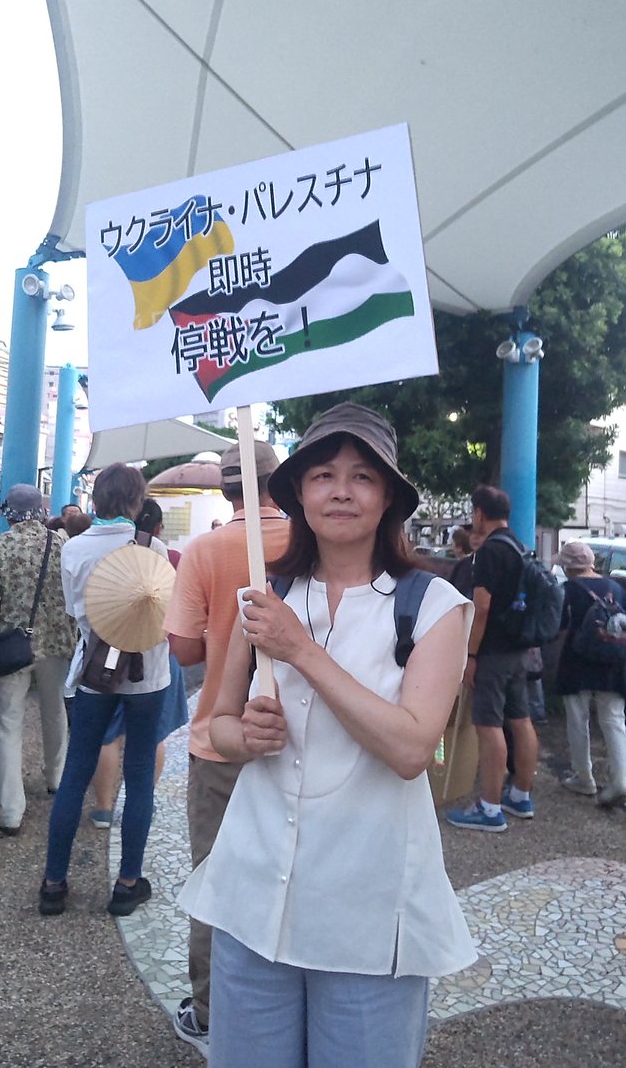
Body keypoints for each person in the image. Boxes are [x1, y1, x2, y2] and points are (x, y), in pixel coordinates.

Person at [178, 402, 476, 1068]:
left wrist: (301, 651)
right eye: (322, 475)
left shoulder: (432, 606)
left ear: (388, 498)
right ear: (298, 493)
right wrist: (245, 735)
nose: (341, 491)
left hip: (369, 912)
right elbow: (218, 724)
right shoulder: (264, 596)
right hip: (251, 898)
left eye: (362, 476)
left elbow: (411, 750)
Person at [164, 438, 289, 1056]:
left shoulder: (204, 551)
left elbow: (185, 649)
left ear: (225, 489)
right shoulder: (310, 541)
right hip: (299, 737)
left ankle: (211, 1008)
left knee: (215, 877)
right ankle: (287, 997)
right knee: (291, 872)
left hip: (220, 737)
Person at [39, 463, 171, 917]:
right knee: (139, 774)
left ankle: (54, 884)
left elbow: (74, 608)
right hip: (147, 675)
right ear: (137, 502)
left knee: (76, 770)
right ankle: (127, 884)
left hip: (92, 674)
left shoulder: (73, 548)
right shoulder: (152, 546)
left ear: (96, 500)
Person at [0, 485, 75, 834]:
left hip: (13, 645)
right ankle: (56, 778)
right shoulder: (61, 545)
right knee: (55, 710)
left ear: (10, 514)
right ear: (40, 511)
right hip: (56, 642)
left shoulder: (0, 546)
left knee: (8, 722)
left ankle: (11, 810)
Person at [89, 497, 188, 829]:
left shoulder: (112, 553)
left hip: (110, 656)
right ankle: (142, 803)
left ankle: (103, 808)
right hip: (157, 659)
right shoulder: (172, 558)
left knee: (107, 735)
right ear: (158, 528)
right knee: (152, 737)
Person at [446, 485, 538, 832]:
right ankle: (521, 795)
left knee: (489, 726)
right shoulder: (519, 547)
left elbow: (481, 608)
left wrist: (471, 655)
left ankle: (489, 808)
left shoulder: (489, 552)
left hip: (493, 652)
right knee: (521, 720)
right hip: (520, 650)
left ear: (479, 513)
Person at [555, 541, 626, 806]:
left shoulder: (568, 590)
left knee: (578, 719)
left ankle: (584, 778)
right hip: (613, 660)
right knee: (614, 720)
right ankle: (621, 780)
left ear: (567, 566)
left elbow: (560, 625)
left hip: (577, 660)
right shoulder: (616, 588)